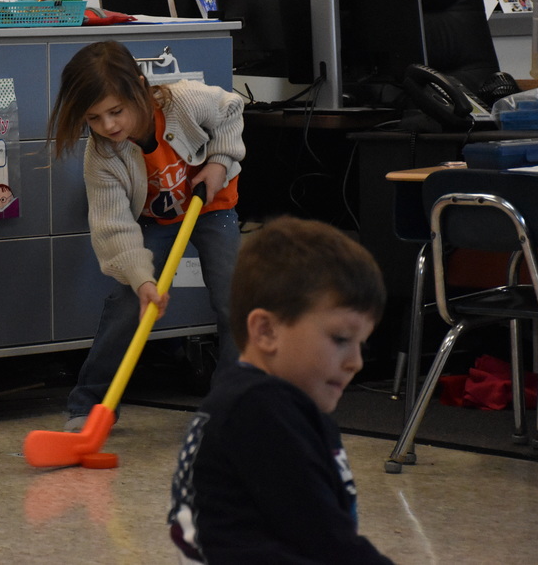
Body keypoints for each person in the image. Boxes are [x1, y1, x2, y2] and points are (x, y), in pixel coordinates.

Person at [168, 216, 393, 564]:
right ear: (266, 331)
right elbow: (326, 539)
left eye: (361, 344)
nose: (356, 362)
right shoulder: (260, 412)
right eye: (341, 339)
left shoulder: (263, 404)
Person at [47, 40, 244, 431]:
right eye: (94, 118)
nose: (108, 126)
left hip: (213, 206)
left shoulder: (183, 102)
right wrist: (142, 280)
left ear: (139, 86)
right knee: (127, 307)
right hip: (156, 220)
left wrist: (220, 161)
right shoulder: (102, 155)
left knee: (233, 300)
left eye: (116, 111)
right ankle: (89, 406)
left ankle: (233, 402)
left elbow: (231, 109)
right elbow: (113, 226)